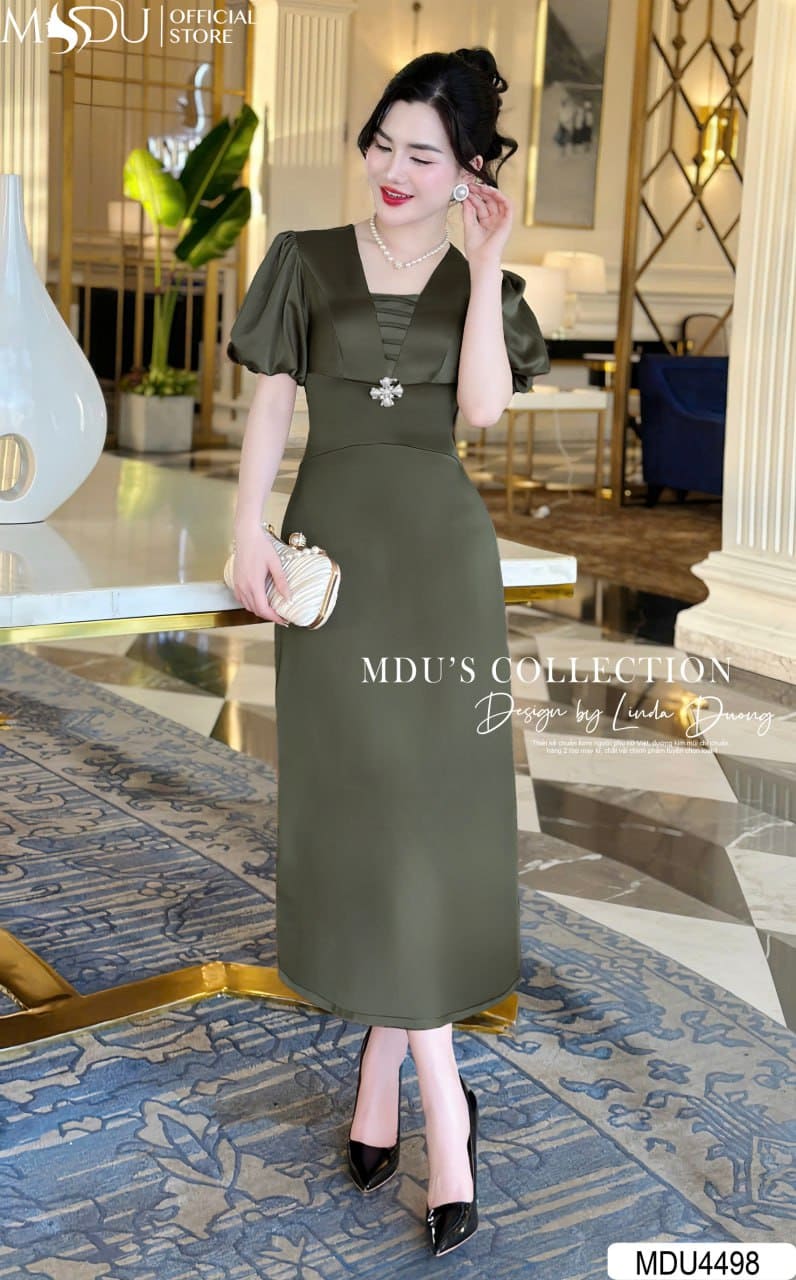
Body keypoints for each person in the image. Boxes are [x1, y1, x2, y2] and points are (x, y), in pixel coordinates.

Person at [226, 46, 549, 1257]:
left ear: (467, 171)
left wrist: (489, 262)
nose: (394, 170)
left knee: (429, 813)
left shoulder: (477, 274)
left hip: (440, 564)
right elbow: (270, 398)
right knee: (364, 806)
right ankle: (431, 1093)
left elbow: (481, 411)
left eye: (423, 154)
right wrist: (247, 528)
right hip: (335, 557)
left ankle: (421, 1101)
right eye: (382, 145)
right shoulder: (304, 258)